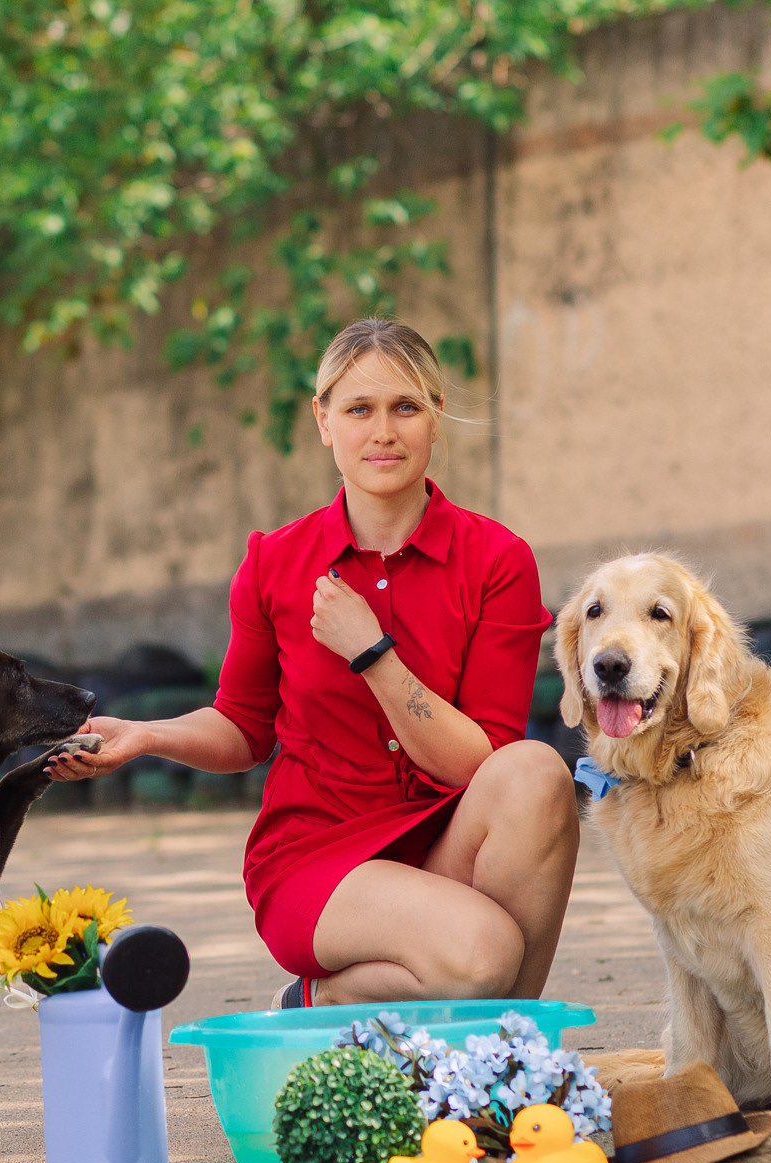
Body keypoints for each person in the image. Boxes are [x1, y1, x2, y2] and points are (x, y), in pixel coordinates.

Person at [44, 317, 578, 1007]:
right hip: (318, 859)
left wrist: (372, 653)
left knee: (537, 771)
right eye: (359, 409)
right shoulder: (274, 564)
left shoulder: (498, 561)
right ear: (323, 421)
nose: (383, 432)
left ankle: (510, 1050)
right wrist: (148, 735)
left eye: (405, 407)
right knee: (483, 955)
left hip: (446, 838)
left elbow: (483, 766)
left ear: (435, 416)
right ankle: (318, 1000)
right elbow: (242, 728)